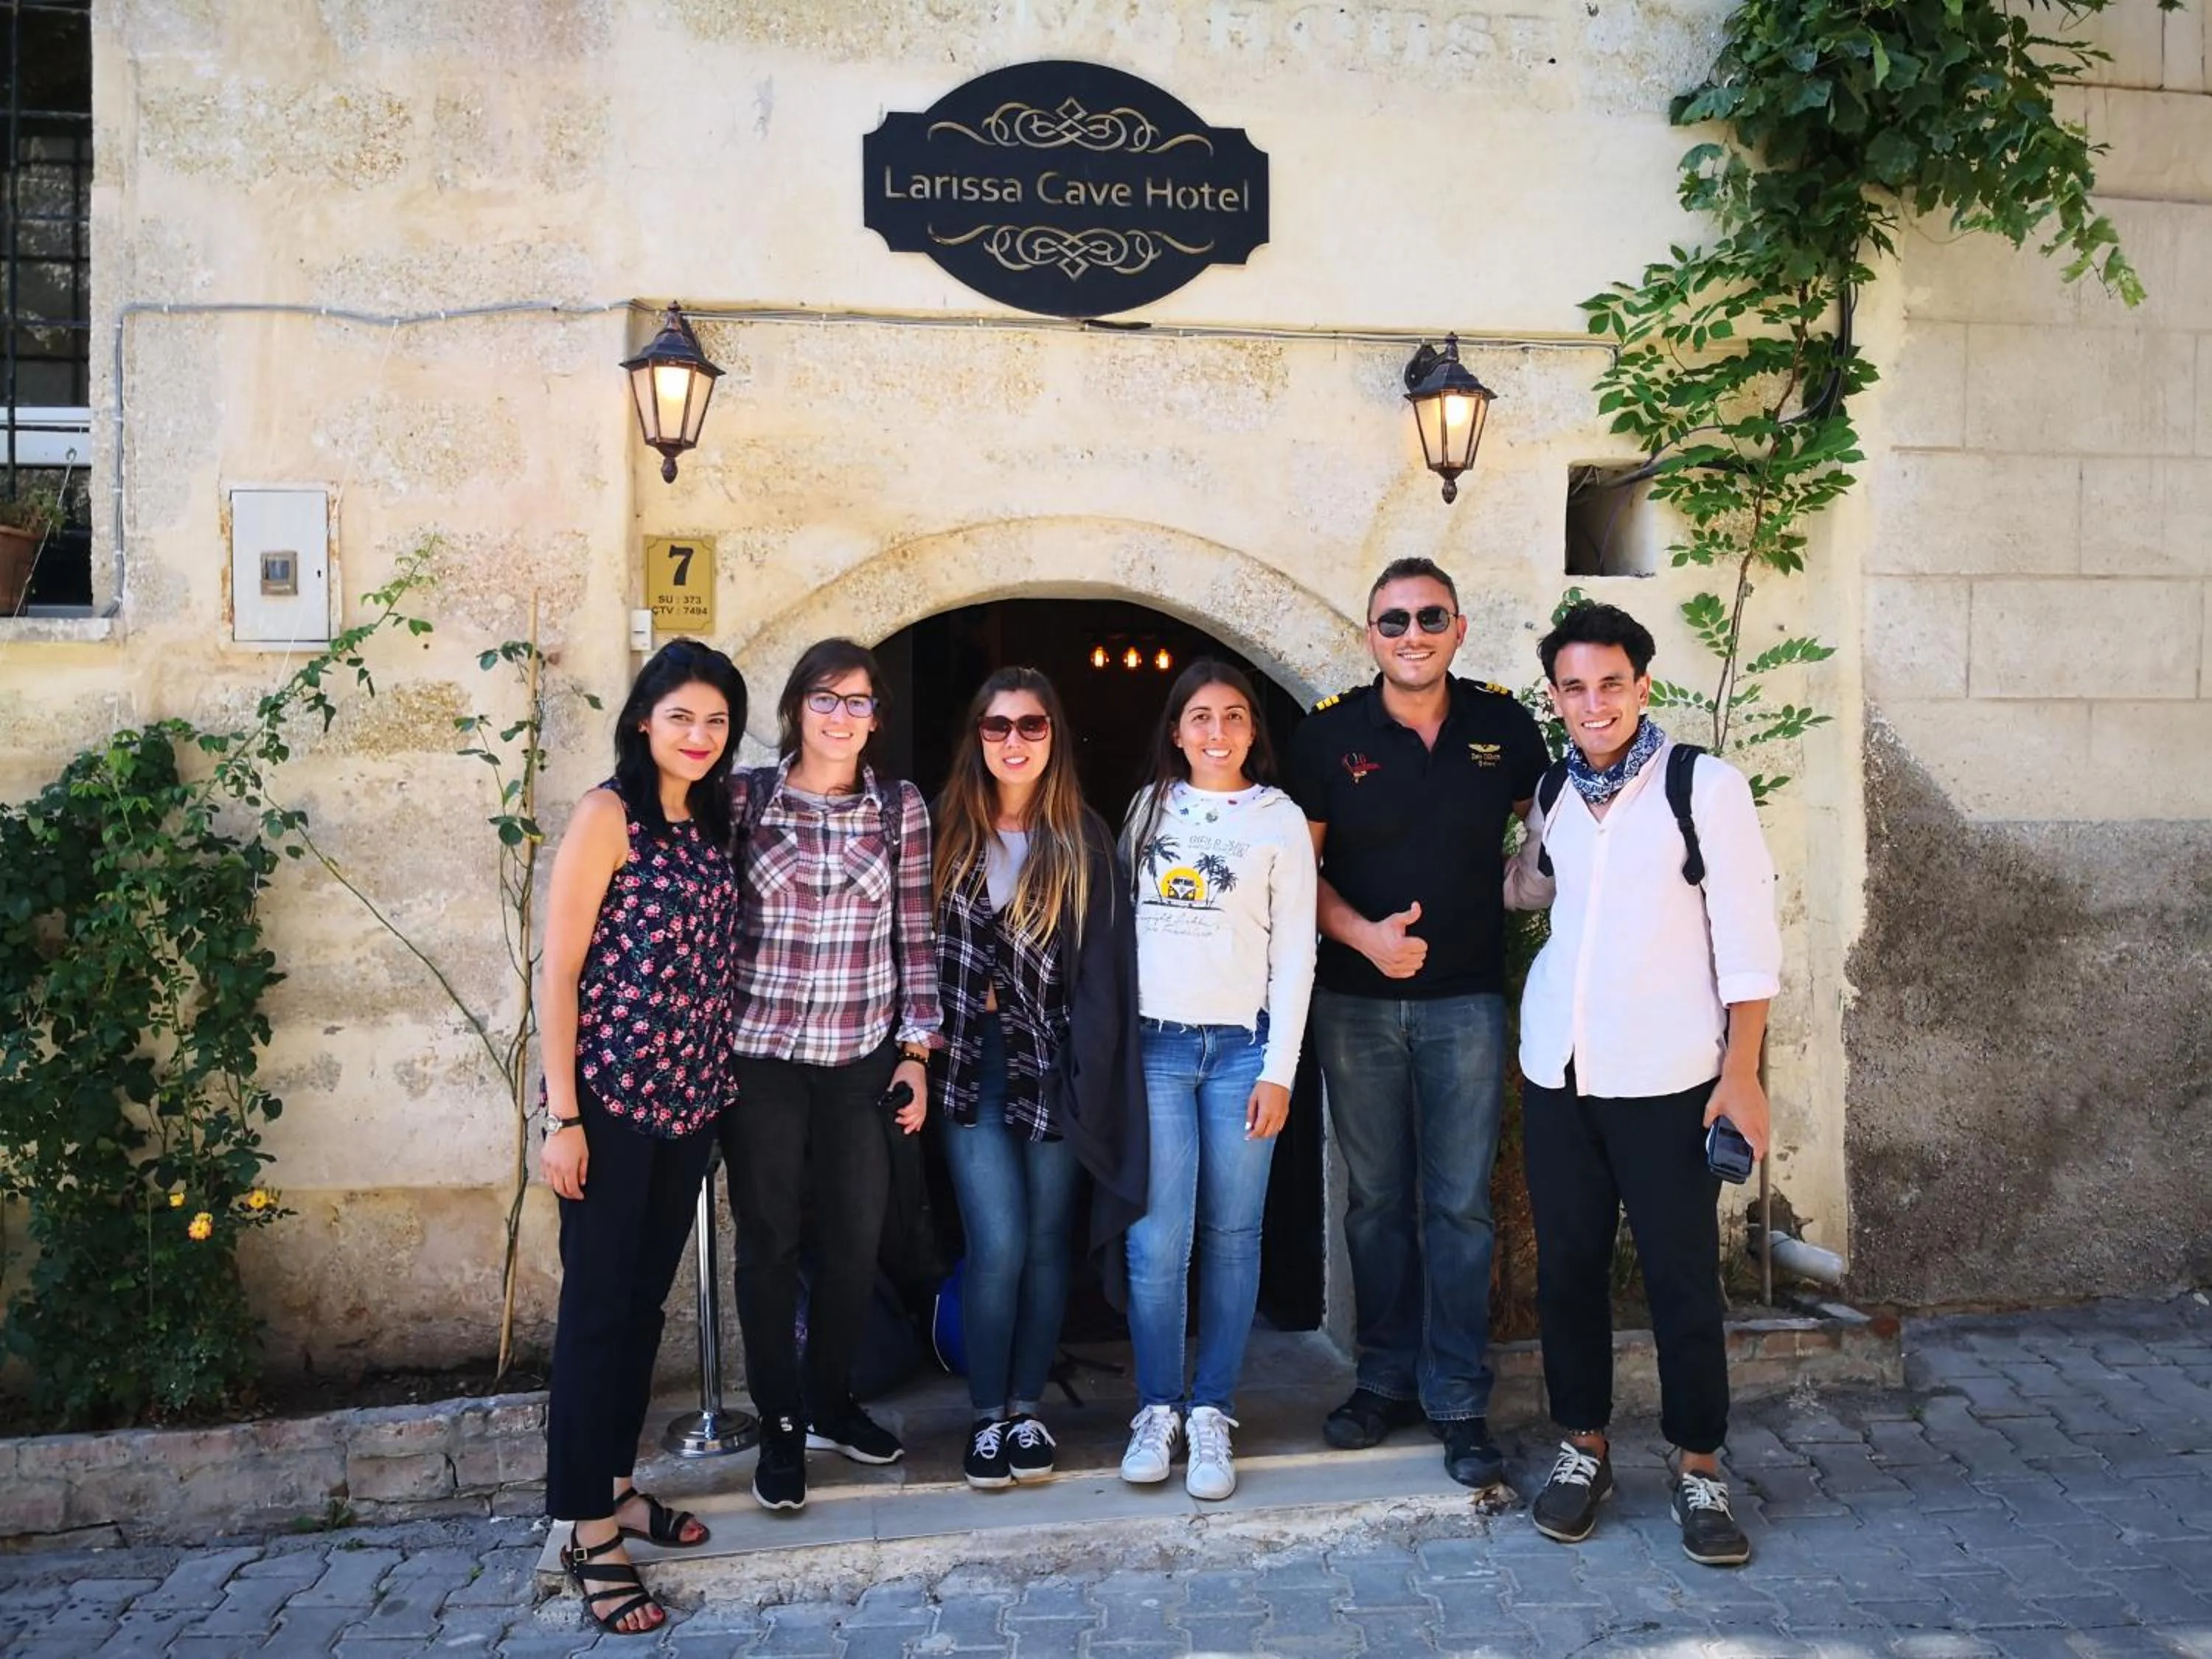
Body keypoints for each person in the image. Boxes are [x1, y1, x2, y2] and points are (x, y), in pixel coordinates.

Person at [1506, 601, 1779, 1568]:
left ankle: (1700, 1462)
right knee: (1570, 1273)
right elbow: (1534, 889)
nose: (1594, 702)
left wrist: (1740, 1076)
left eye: (1610, 683)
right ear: (1555, 697)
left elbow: (1748, 939)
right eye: (1574, 686)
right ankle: (1584, 1447)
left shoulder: (1702, 786)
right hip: (1561, 1071)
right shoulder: (1556, 789)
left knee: (1679, 1282)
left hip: (1671, 1077)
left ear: (1641, 685)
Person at [1285, 557, 1548, 1489]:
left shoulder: (1504, 727)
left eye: (1429, 617)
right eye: (1393, 622)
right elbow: (1296, 871)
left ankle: (1459, 1400)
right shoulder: (1327, 739)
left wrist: (1537, 880)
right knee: (1377, 1204)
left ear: (1459, 628)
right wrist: (1363, 937)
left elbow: (1556, 823)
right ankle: (1383, 1381)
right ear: (1370, 638)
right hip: (1357, 1005)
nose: (1412, 635)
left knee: (1460, 1207)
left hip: (1469, 1004)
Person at [539, 639, 747, 1635]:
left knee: (639, 1309)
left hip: (691, 1102)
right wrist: (563, 1116)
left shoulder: (710, 820)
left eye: (715, 721)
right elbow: (559, 971)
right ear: (642, 721)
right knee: (594, 1315)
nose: (699, 737)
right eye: (681, 718)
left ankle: (617, 1485)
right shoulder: (606, 815)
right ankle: (588, 1530)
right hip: (613, 1106)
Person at [719, 639, 940, 1513]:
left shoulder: (898, 809)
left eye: (859, 702)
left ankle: (829, 1399)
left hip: (860, 1057)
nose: (841, 716)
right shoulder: (744, 799)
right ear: (796, 708)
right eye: (825, 698)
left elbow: (914, 936)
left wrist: (917, 1054)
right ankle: (779, 1424)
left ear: (876, 718)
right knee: (769, 1241)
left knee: (856, 1238)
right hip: (761, 1057)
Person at [930, 666, 1142, 1490]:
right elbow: (911, 948)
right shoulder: (942, 828)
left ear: (1054, 737)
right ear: (975, 738)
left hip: (1057, 1062)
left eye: (1031, 725)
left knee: (1050, 1243)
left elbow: (1100, 972)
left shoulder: (1082, 837)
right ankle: (987, 1417)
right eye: (997, 726)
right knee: (1001, 1240)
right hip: (969, 1065)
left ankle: (1027, 1411)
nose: (1013, 741)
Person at [1119, 661, 1317, 1500]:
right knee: (1157, 1242)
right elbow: (1116, 929)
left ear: (1251, 732)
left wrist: (1281, 1072)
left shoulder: (1278, 819)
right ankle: (1157, 1406)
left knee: (1235, 1239)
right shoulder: (1146, 809)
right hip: (1156, 1048)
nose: (1216, 731)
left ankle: (1212, 1412)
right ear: (1175, 729)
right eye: (1199, 717)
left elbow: (1296, 954)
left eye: (1233, 717)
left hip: (1243, 1049)